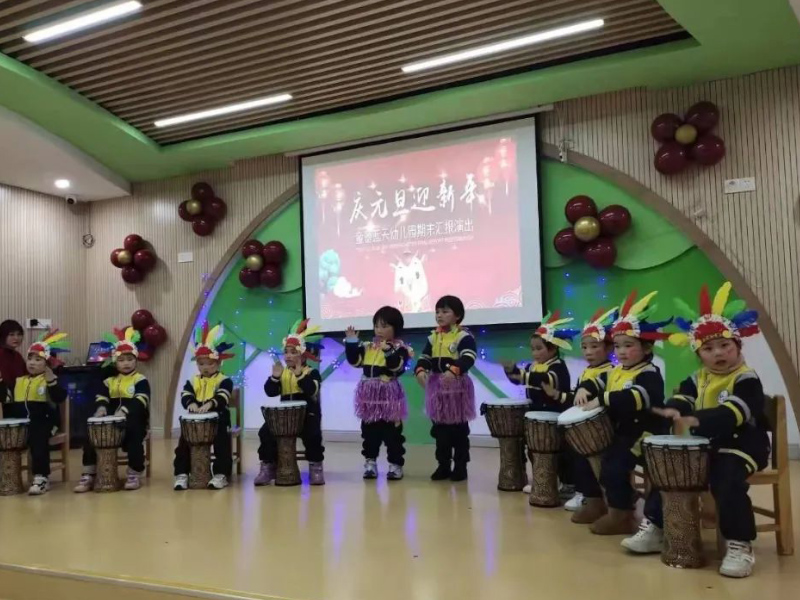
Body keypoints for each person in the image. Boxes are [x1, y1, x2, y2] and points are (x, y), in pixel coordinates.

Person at [623, 282, 769, 578]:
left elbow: (735, 413)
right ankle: (656, 527)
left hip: (745, 445)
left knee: (727, 479)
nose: (719, 353)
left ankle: (740, 544)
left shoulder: (746, 379)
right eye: (709, 348)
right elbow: (683, 397)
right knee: (670, 471)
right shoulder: (698, 377)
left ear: (737, 346)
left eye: (725, 345)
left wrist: (698, 419)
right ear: (698, 354)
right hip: (710, 446)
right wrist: (674, 407)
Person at [573, 290, 671, 535]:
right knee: (600, 460)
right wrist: (585, 388)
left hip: (646, 433)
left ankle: (622, 514)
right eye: (618, 346)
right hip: (624, 432)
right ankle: (611, 504)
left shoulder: (649, 373)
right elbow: (598, 382)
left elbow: (636, 398)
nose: (622, 352)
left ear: (647, 348)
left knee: (613, 464)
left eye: (629, 346)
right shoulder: (617, 371)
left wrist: (602, 400)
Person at [502, 311, 577, 495]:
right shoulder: (532, 366)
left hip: (556, 415)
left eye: (539, 348)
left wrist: (521, 374)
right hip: (536, 416)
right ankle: (543, 479)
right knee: (534, 450)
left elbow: (545, 380)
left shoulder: (558, 366)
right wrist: (510, 372)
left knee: (557, 453)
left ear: (552, 349)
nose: (534, 353)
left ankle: (565, 482)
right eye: (532, 348)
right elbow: (521, 379)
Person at [556, 308, 616, 520]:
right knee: (577, 457)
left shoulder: (611, 369)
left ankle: (594, 496)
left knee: (587, 459)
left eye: (594, 346)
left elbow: (600, 383)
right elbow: (577, 397)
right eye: (584, 347)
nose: (588, 351)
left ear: (609, 347)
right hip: (587, 430)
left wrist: (587, 387)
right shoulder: (586, 370)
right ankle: (588, 495)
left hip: (605, 429)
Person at [74, 327, 150, 493]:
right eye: (122, 360)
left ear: (136, 360)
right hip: (112, 424)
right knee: (91, 436)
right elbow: (101, 396)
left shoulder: (140, 380)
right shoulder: (109, 381)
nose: (126, 363)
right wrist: (101, 407)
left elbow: (141, 400)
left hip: (134, 421)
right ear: (115, 362)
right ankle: (89, 473)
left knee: (134, 437)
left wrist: (124, 410)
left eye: (130, 359)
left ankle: (134, 472)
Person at [255, 319, 325, 486]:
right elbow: (270, 392)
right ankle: (268, 466)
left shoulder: (312, 372)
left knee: (313, 435)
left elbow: (311, 390)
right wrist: (274, 377)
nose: (288, 356)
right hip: (285, 419)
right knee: (265, 432)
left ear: (302, 354)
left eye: (293, 352)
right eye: (286, 352)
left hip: (307, 416)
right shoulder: (283, 372)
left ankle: (316, 467)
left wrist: (300, 374)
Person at [415, 295, 477, 482]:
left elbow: (469, 356)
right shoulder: (433, 337)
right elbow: (425, 357)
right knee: (440, 431)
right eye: (437, 311)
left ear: (457, 316)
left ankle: (460, 466)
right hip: (438, 390)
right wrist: (419, 370)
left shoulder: (463, 337)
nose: (439, 315)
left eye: (445, 311)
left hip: (457, 390)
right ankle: (443, 465)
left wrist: (455, 369)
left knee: (458, 431)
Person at [345, 306, 411, 481]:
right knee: (369, 432)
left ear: (395, 328)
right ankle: (370, 463)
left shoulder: (400, 348)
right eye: (376, 326)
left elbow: (397, 367)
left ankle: (395, 465)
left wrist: (387, 351)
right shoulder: (368, 347)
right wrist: (351, 343)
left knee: (392, 434)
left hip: (389, 397)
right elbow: (355, 361)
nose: (379, 330)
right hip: (369, 397)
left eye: (384, 326)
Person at [0, 329, 69, 495]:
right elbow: (6, 397)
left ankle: (41, 477)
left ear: (47, 364)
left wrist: (51, 380)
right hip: (23, 424)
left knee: (37, 435)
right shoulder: (19, 381)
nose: (31, 362)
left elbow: (60, 397)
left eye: (38, 360)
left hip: (46, 422)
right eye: (30, 358)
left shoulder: (49, 381)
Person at [173, 323, 235, 491]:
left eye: (209, 364)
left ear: (218, 363)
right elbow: (185, 394)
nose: (205, 367)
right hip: (196, 420)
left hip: (218, 417)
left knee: (222, 442)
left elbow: (223, 395)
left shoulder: (224, 380)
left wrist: (209, 404)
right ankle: (181, 474)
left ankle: (221, 474)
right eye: (201, 364)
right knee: (183, 442)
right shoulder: (193, 380)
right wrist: (191, 403)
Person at [0, 320, 26, 406]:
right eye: (11, 334)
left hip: (17, 398)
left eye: (19, 334)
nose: (16, 338)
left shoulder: (17, 355)